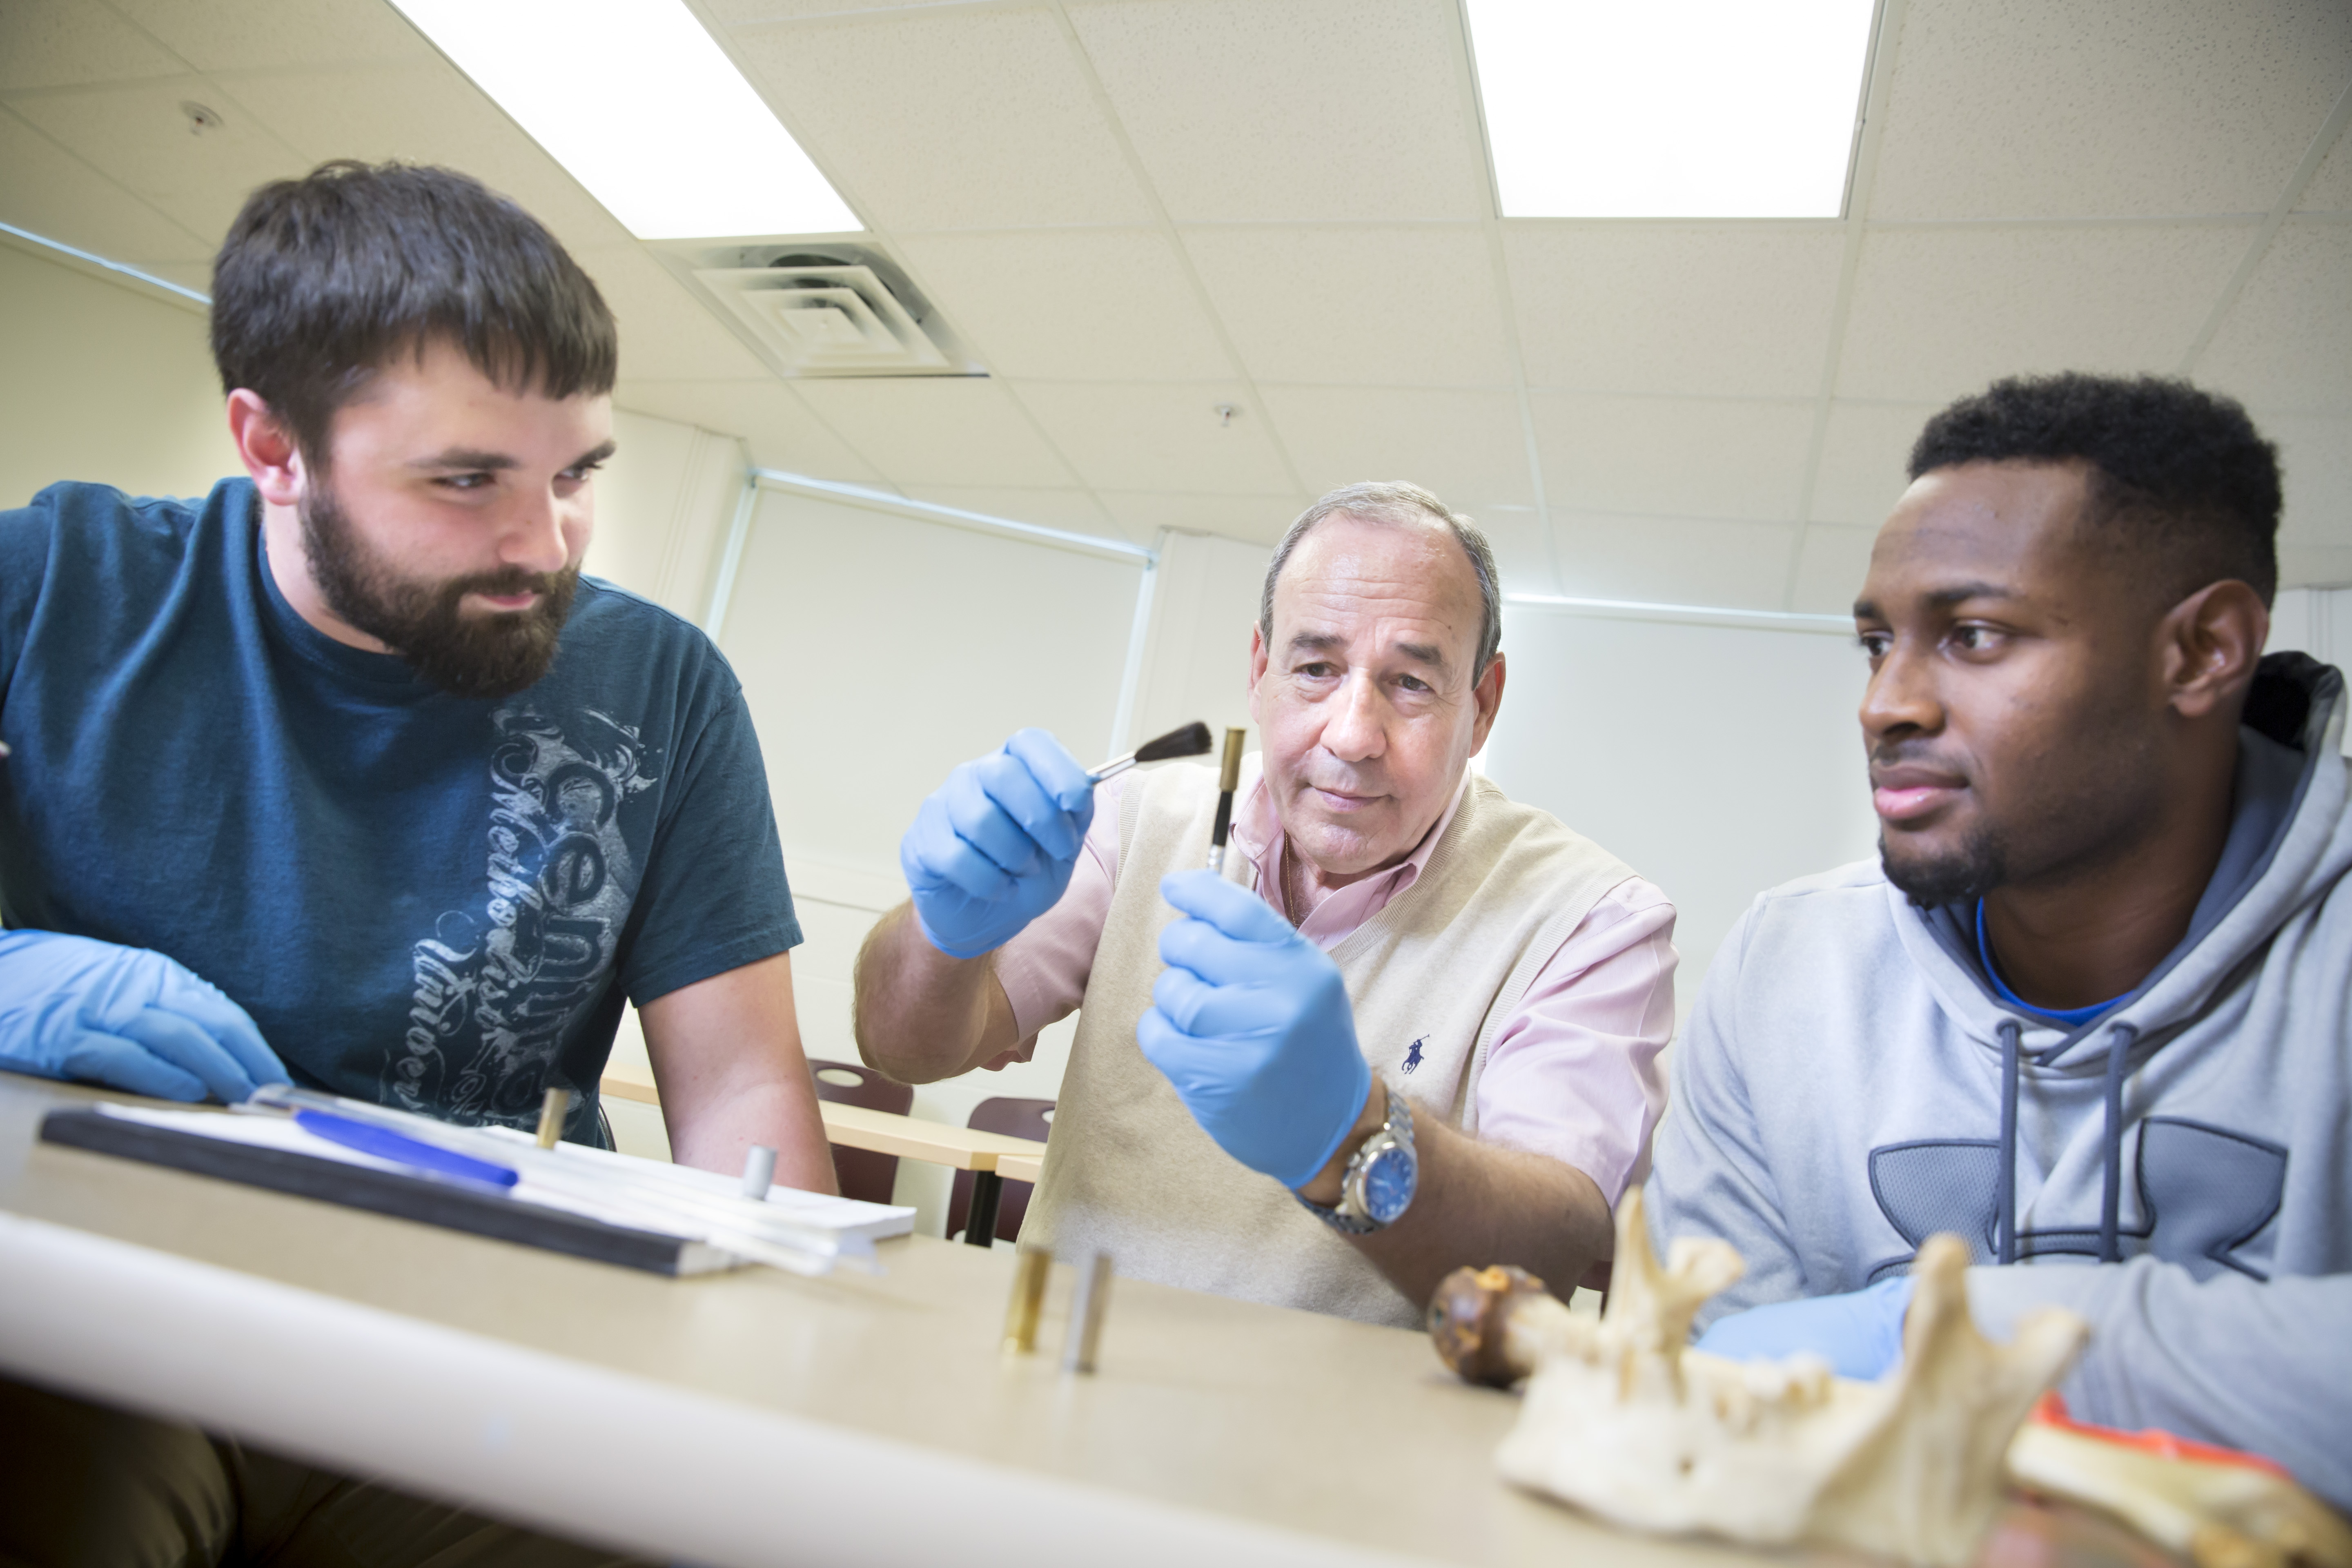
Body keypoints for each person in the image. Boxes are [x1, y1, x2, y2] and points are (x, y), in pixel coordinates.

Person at [0, 160, 831, 1564]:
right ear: (272, 448)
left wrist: (785, 1381)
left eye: (575, 475)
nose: (545, 542)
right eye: (467, 481)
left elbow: (741, 1084)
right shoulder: (58, 587)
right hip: (97, 1311)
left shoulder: (663, 688)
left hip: (479, 1341)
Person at [1646, 373, 2350, 1508]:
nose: (1886, 702)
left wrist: (1980, 1340)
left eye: (1973, 636)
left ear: (2205, 652)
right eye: (1878, 641)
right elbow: (1714, 1406)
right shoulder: (1790, 972)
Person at [855, 481, 1677, 1327]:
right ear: (1260, 671)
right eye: (1316, 669)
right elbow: (903, 1051)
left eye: (1410, 684)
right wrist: (940, 938)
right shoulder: (1140, 816)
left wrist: (1351, 1135)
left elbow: (1548, 1256)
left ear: (1484, 702)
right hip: (1062, 1385)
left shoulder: (1590, 919)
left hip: (1361, 1448)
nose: (1353, 735)